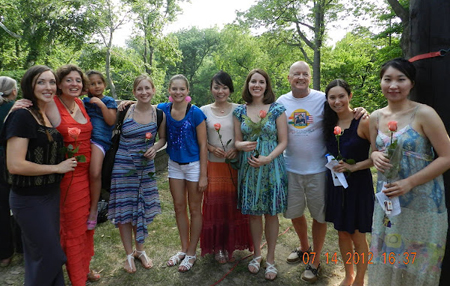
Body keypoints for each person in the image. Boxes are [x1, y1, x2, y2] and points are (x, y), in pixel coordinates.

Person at [276, 61, 367, 282]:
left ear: (310, 77)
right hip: (291, 168)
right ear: (288, 78)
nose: (300, 77)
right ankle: (304, 248)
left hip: (320, 169)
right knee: (295, 213)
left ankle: (315, 260)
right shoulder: (281, 102)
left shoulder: (321, 99)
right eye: (295, 74)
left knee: (319, 216)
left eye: (304, 74)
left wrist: (362, 111)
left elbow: (343, 111)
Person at [368, 58, 450, 285]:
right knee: (389, 257)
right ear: (381, 82)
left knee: (416, 266)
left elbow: (447, 156)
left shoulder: (424, 114)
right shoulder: (375, 117)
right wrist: (374, 156)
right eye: (388, 79)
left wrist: (410, 182)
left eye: (400, 79)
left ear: (411, 83)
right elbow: (372, 154)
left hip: (423, 203)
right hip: (389, 202)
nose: (393, 85)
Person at [2, 65, 76, 285]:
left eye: (52, 82)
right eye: (41, 82)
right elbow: (15, 164)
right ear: (29, 85)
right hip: (29, 199)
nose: (49, 87)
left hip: (50, 195)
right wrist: (57, 168)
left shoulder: (43, 113)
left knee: (41, 257)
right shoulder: (22, 116)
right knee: (52, 256)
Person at [233, 68, 288, 280]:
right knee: (254, 214)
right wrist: (241, 144)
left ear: (267, 86)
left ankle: (271, 259)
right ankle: (257, 255)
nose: (257, 85)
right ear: (248, 85)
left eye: (261, 82)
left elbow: (283, 141)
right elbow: (237, 140)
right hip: (249, 168)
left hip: (271, 167)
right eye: (253, 81)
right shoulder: (239, 111)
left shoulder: (277, 110)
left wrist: (268, 158)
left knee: (271, 213)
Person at [108, 75, 166, 273]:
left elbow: (163, 139)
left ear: (153, 90)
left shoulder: (159, 114)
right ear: (134, 92)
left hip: (145, 168)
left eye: (147, 88)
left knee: (141, 208)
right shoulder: (124, 110)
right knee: (124, 211)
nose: (144, 92)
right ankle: (128, 255)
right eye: (139, 89)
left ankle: (140, 251)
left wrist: (155, 148)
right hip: (123, 167)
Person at [323, 79, 373, 286]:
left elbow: (377, 156)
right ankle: (348, 275)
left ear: (350, 96)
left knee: (357, 236)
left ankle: (360, 279)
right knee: (342, 232)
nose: (337, 101)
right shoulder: (328, 123)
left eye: (341, 96)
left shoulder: (363, 121)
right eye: (332, 97)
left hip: (358, 186)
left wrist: (354, 167)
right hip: (336, 185)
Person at [200, 71, 253, 263]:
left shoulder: (240, 109)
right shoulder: (203, 110)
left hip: (236, 167)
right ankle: (219, 247)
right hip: (214, 166)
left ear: (230, 89)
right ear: (211, 89)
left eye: (224, 87)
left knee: (233, 205)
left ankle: (233, 243)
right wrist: (211, 147)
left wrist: (238, 151)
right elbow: (199, 139)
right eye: (216, 87)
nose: (220, 91)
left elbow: (248, 135)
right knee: (217, 207)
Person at [158, 74, 208, 272]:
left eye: (182, 89)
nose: (178, 92)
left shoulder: (195, 113)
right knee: (179, 207)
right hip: (174, 165)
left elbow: (203, 144)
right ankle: (184, 249)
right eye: (174, 88)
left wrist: (203, 175)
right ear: (169, 91)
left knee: (195, 209)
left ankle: (192, 253)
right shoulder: (163, 109)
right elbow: (143, 105)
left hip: (194, 165)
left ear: (188, 92)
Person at [83, 71, 117, 230]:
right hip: (84, 139)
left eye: (99, 83)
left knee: (95, 172)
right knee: (83, 173)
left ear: (104, 84)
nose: (96, 86)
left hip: (100, 140)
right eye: (92, 83)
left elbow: (111, 121)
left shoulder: (109, 101)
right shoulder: (83, 101)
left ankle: (94, 209)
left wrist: (101, 104)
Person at [0, 76, 22, 267]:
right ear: (13, 91)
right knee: (20, 204)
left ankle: (5, 254)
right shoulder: (17, 109)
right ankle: (23, 247)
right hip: (12, 161)